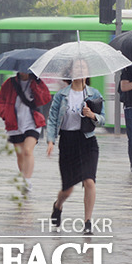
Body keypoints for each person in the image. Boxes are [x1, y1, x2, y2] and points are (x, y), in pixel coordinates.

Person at [46, 60, 105, 235]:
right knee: (68, 189)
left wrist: (92, 115)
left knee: (89, 181)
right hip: (67, 142)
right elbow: (52, 119)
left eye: (83, 67)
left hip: (87, 140)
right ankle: (58, 205)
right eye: (77, 67)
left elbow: (103, 118)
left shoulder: (94, 94)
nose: (80, 70)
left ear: (88, 73)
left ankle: (87, 222)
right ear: (71, 72)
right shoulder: (61, 95)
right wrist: (51, 141)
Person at [0, 72, 51, 193]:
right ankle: (24, 178)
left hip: (33, 122)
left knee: (27, 150)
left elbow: (45, 98)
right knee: (20, 154)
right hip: (14, 123)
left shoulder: (36, 82)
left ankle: (27, 180)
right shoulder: (10, 83)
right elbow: (1, 100)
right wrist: (4, 113)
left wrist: (36, 84)